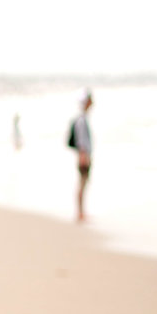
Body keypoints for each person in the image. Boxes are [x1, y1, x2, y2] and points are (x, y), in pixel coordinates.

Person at [69, 90, 94, 222]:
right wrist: (83, 156)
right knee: (82, 183)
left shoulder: (83, 119)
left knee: (83, 183)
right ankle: (79, 212)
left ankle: (81, 211)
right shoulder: (81, 120)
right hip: (83, 156)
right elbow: (81, 141)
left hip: (84, 155)